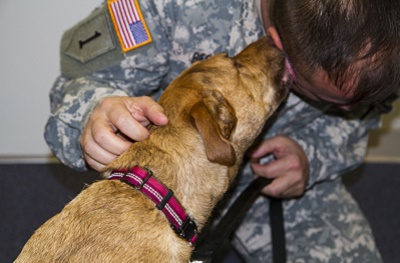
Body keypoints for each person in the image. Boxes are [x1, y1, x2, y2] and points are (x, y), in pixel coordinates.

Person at [45, 0, 400, 262]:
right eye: (326, 99)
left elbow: (364, 117)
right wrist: (95, 114)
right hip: (155, 190)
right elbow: (78, 84)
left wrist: (312, 153)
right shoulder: (171, 7)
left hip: (270, 182)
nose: (350, 110)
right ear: (277, 47)